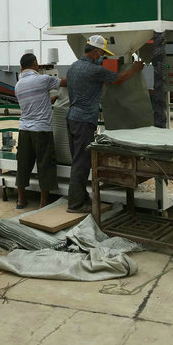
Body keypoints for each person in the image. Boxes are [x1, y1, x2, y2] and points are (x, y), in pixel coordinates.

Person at [66, 35, 145, 213]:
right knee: (82, 163)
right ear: (95, 52)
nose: (102, 57)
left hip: (71, 118)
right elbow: (120, 78)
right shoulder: (95, 71)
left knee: (77, 161)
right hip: (85, 120)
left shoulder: (73, 67)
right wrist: (135, 68)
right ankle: (76, 204)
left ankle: (81, 197)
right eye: (101, 54)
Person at [15, 53, 67, 210]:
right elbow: (64, 82)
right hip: (42, 130)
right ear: (35, 64)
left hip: (24, 129)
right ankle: (43, 202)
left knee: (23, 163)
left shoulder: (18, 85)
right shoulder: (43, 79)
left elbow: (34, 103)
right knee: (45, 164)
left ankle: (21, 200)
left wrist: (51, 100)